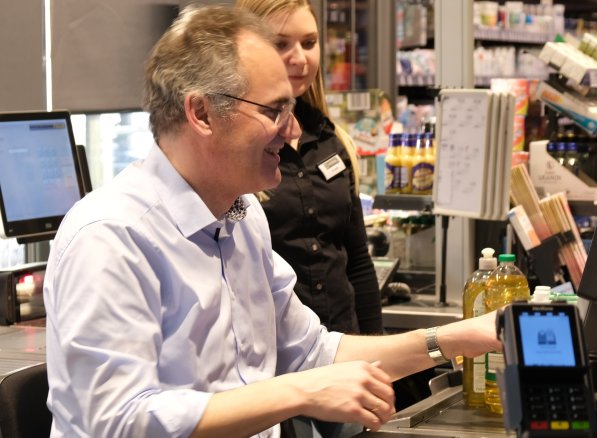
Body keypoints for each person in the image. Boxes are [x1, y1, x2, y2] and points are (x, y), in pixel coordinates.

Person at [42, 5, 500, 437]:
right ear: (201, 113)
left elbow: (315, 353)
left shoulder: (243, 219)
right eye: (273, 110)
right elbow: (118, 421)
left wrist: (464, 337)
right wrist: (297, 391)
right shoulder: (110, 237)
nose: (292, 127)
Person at [235, 0, 382, 337]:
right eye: (280, 44)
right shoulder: (234, 152)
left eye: (309, 43)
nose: (300, 58)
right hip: (273, 357)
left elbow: (357, 261)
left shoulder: (334, 141)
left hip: (345, 345)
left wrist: (378, 350)